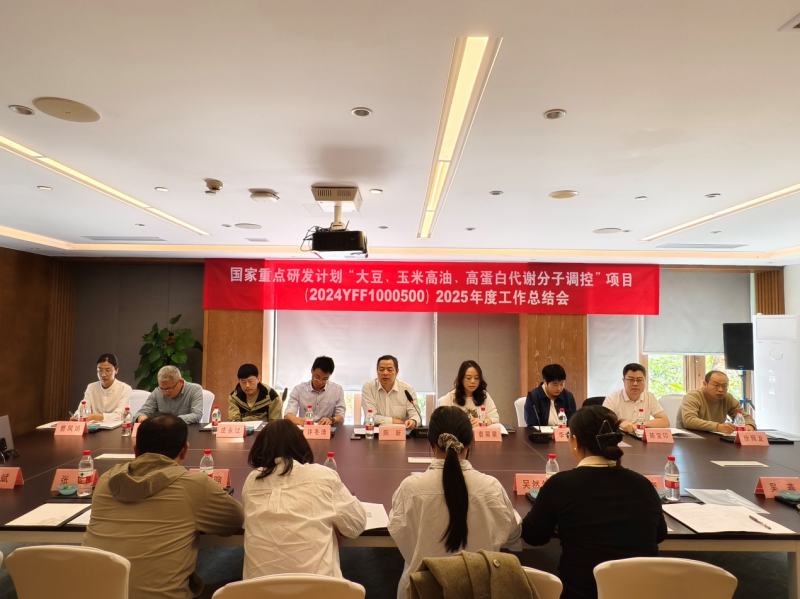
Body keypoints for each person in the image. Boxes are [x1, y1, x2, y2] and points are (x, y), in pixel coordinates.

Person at [83, 414, 244, 599]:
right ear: (185, 450)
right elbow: (234, 521)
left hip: (92, 592)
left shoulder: (106, 481)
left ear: (136, 450)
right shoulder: (194, 486)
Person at [522, 405, 667, 599]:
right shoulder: (643, 485)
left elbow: (533, 536)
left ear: (575, 441)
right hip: (640, 593)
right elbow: (659, 534)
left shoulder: (560, 485)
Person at [388, 406, 521, 599]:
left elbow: (400, 534)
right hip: (480, 591)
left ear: (431, 444)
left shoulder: (410, 489)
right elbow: (512, 532)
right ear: (469, 444)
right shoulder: (491, 488)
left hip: (422, 591)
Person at [242, 419, 366, 579]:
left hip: (256, 589)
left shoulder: (252, 480)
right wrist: (332, 520)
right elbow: (356, 524)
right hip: (321, 588)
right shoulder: (322, 475)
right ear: (301, 445)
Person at [677, 371, 756, 432]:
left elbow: (744, 416)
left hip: (715, 436)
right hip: (690, 437)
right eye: (716, 385)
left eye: (724, 386)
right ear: (705, 384)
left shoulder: (727, 398)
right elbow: (689, 421)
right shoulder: (693, 396)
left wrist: (749, 425)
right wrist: (717, 427)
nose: (720, 389)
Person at [603, 363, 670, 432]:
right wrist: (619, 423)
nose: (635, 384)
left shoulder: (649, 397)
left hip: (640, 436)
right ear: (624, 381)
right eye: (631, 379)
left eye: (639, 380)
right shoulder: (612, 398)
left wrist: (641, 424)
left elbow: (665, 422)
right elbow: (603, 422)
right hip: (620, 436)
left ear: (645, 381)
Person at [361, 355, 420, 429]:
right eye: (381, 369)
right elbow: (370, 417)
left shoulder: (407, 389)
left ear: (397, 372)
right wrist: (395, 421)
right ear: (377, 371)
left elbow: (416, 415)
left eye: (390, 370)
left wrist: (413, 421)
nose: (385, 373)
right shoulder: (369, 387)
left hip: (400, 433)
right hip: (374, 432)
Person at [285, 356, 346, 426]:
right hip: (305, 429)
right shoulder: (299, 390)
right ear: (312, 370)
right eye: (317, 377)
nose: (320, 382)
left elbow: (341, 417)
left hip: (326, 429)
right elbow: (288, 415)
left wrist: (331, 420)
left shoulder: (337, 390)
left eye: (325, 379)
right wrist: (299, 420)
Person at [134, 365, 204, 424]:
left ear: (181, 382)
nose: (165, 393)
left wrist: (170, 421)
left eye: (169, 389)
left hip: (187, 430)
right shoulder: (157, 392)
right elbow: (142, 412)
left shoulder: (194, 390)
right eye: (162, 389)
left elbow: (197, 415)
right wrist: (141, 417)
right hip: (163, 432)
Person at [72, 353, 131, 422]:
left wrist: (93, 417)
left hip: (116, 427)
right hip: (93, 426)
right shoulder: (91, 387)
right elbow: (84, 406)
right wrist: (78, 416)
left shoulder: (125, 389)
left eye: (108, 370)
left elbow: (120, 415)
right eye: (100, 370)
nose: (103, 374)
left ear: (116, 370)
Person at [437, 360, 499, 426]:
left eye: (476, 378)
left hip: (478, 432)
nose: (473, 381)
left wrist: (483, 421)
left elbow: (495, 418)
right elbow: (440, 419)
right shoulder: (451, 396)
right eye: (468, 378)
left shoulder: (484, 395)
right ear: (461, 379)